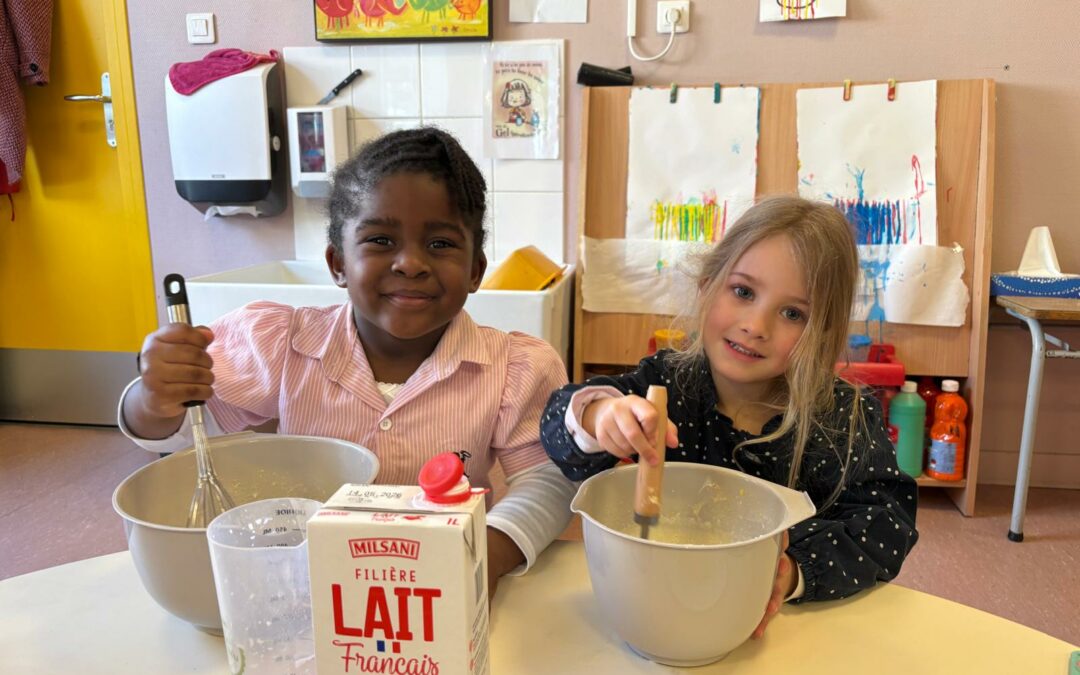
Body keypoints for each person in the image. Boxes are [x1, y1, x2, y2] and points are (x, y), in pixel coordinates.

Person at [120, 127, 575, 598]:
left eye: (440, 244)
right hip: (306, 589)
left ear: (476, 270)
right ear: (337, 263)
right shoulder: (280, 345)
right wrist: (154, 399)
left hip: (442, 594)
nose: (411, 263)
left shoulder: (512, 369)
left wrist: (483, 557)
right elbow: (185, 428)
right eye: (380, 240)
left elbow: (545, 482)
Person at [541, 196, 918, 637]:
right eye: (743, 292)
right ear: (707, 286)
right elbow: (557, 425)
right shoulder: (666, 383)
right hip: (663, 606)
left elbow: (888, 525)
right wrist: (600, 415)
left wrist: (794, 572)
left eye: (792, 313)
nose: (756, 326)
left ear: (823, 332)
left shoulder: (842, 417)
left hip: (787, 628)